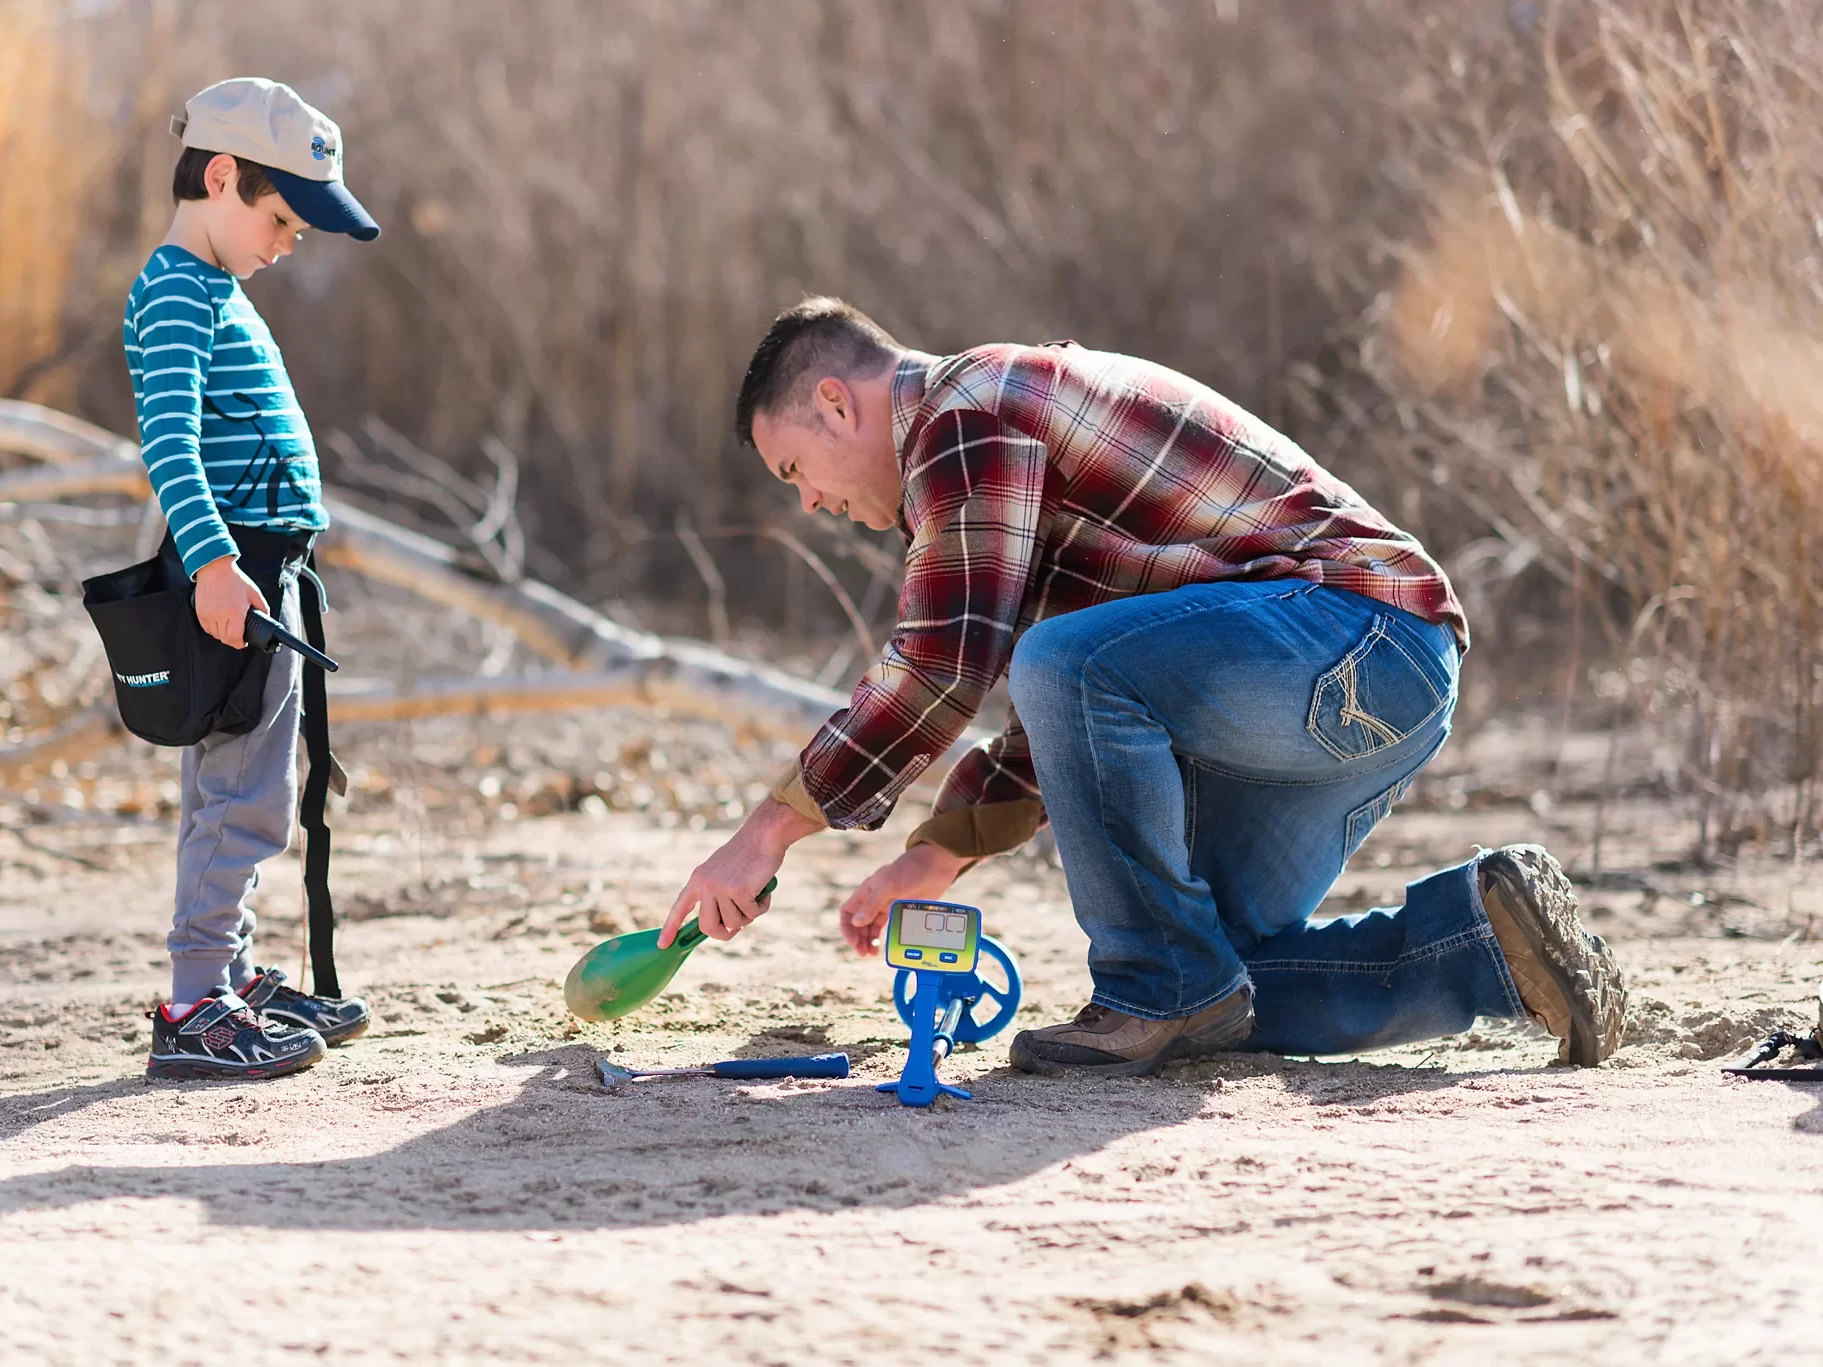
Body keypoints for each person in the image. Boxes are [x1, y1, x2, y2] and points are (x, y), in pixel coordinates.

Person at [659, 297, 1628, 1077]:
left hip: (1355, 637)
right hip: (1378, 678)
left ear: (836, 402)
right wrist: (942, 851)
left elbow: (945, 667)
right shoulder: (1000, 437)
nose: (810, 501)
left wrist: (764, 834)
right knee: (1221, 980)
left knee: (1068, 696)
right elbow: (1088, 706)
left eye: (796, 469)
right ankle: (1482, 942)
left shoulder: (966, 413)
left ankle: (1150, 986)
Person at [125, 78, 381, 1079]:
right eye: (279, 218)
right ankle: (195, 1001)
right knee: (245, 790)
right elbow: (170, 445)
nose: (288, 242)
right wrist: (218, 564)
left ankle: (224, 970)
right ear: (221, 176)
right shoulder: (180, 288)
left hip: (257, 564)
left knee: (235, 779)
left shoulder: (208, 285)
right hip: (234, 570)